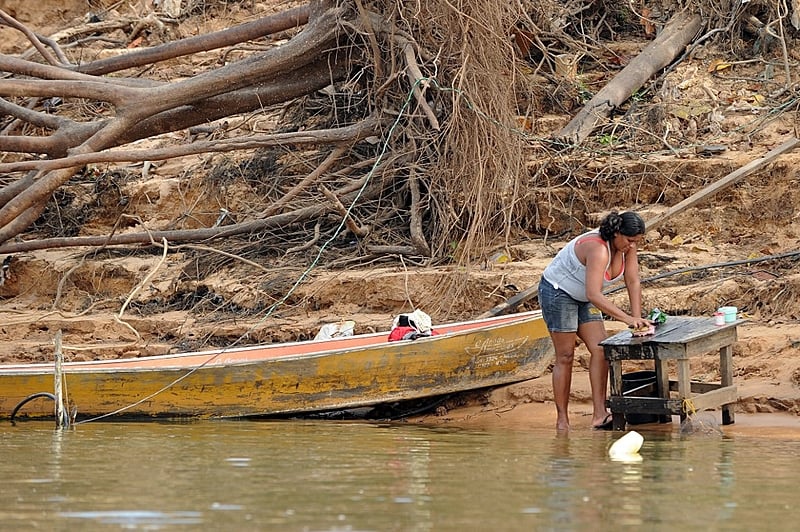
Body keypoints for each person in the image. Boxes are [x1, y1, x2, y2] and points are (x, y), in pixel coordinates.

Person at [537, 211, 651, 431]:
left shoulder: (629, 246)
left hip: (584, 295)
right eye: (628, 241)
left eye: (636, 242)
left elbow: (633, 280)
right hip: (559, 292)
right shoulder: (598, 249)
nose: (631, 246)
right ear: (617, 233)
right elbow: (594, 294)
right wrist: (627, 318)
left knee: (601, 349)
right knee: (566, 355)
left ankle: (600, 415)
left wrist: (637, 318)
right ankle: (562, 420)